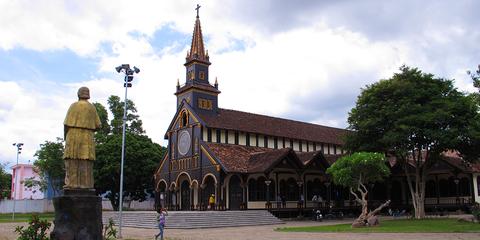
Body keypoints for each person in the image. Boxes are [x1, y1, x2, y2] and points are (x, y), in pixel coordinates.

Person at [63, 87, 101, 189]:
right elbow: (98, 125)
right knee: (86, 161)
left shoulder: (73, 106)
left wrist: (65, 137)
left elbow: (66, 124)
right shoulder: (91, 108)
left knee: (72, 160)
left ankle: (72, 184)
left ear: (78, 94)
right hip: (87, 136)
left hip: (72, 135)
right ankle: (86, 185)